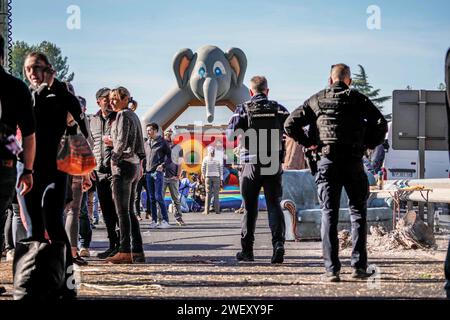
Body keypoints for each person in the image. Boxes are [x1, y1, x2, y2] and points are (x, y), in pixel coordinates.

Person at [284, 64, 388, 282]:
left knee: (328, 213)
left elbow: (290, 124)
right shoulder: (359, 99)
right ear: (348, 80)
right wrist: (367, 142)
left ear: (330, 80)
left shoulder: (317, 99)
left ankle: (332, 270)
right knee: (358, 214)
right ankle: (359, 267)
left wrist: (310, 143)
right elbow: (380, 123)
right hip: (353, 162)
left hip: (327, 162)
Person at [21, 51, 89, 298]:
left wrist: (54, 84)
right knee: (35, 229)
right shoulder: (27, 95)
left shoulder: (59, 94)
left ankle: (68, 286)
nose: (31, 72)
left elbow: (78, 116)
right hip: (30, 168)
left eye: (36, 67)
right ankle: (40, 282)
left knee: (54, 224)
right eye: (27, 68)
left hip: (57, 169)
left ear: (48, 69)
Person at [227, 75, 290, 264]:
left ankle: (247, 251)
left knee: (250, 208)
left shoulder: (243, 109)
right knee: (273, 204)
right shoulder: (279, 109)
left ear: (250, 92)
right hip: (273, 163)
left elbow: (230, 135)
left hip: (250, 164)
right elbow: (293, 129)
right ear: (267, 91)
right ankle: (278, 245)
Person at [106, 87, 145, 264]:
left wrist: (113, 157)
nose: (112, 102)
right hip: (135, 164)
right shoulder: (134, 115)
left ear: (125, 99)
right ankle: (137, 249)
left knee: (122, 212)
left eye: (115, 98)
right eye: (111, 99)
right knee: (130, 211)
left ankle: (124, 250)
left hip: (124, 165)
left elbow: (121, 141)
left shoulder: (122, 115)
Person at [89, 87, 120, 259]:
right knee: (106, 210)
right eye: (105, 99)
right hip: (98, 171)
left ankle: (123, 245)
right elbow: (89, 144)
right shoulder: (92, 120)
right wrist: (89, 168)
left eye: (111, 98)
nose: (109, 102)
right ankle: (112, 244)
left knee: (119, 209)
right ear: (98, 102)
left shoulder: (119, 117)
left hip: (117, 170)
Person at [144, 123, 171, 229]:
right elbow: (144, 158)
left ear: (155, 130)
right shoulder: (146, 143)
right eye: (147, 130)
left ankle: (165, 220)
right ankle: (154, 221)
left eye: (149, 130)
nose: (148, 132)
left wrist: (163, 165)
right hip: (148, 173)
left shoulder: (162, 142)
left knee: (158, 197)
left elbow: (170, 157)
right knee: (151, 198)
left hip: (158, 173)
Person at [163, 128, 186, 225]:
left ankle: (179, 218)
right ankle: (161, 219)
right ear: (164, 135)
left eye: (171, 134)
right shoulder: (161, 146)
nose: (169, 135)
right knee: (160, 199)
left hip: (173, 177)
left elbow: (180, 163)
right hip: (162, 177)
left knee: (176, 199)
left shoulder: (179, 148)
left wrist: (178, 175)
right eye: (167, 134)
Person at [201, 146, 223, 215]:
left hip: (208, 177)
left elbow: (203, 168)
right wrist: (221, 179)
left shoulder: (205, 159)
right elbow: (221, 169)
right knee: (216, 195)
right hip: (217, 177)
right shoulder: (218, 159)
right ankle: (217, 211)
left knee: (208, 194)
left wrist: (203, 175)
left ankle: (206, 211)